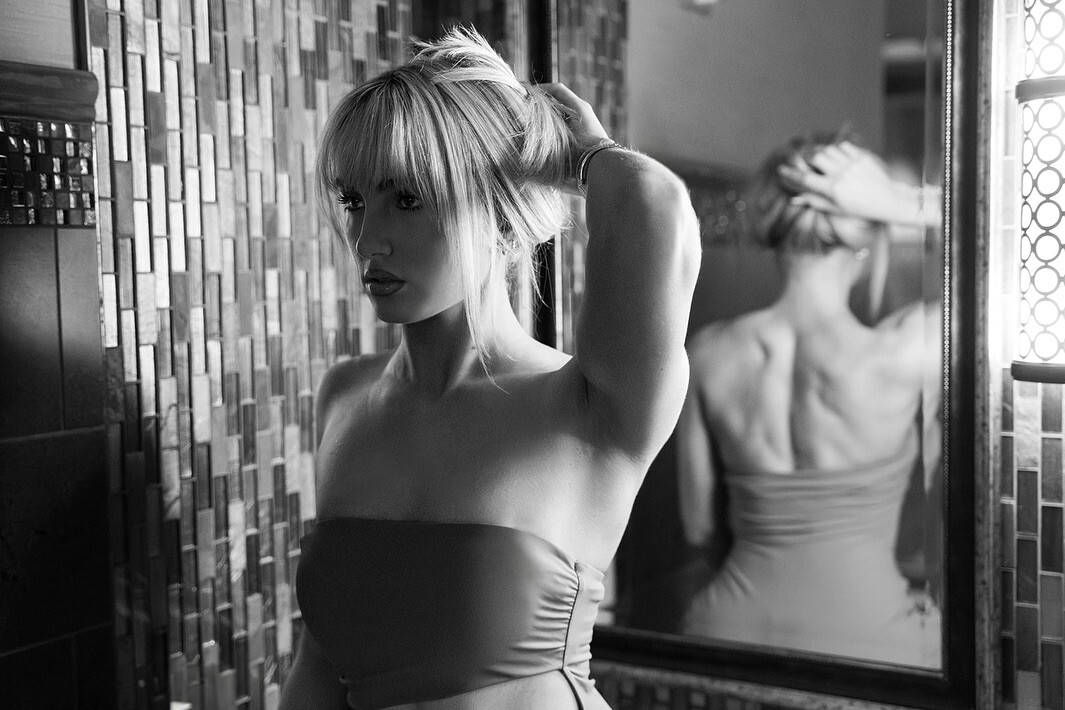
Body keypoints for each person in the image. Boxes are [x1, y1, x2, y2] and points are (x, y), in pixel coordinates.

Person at [278, 28, 700, 710]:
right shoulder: (346, 397)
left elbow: (652, 205)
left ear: (503, 219)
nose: (367, 239)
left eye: (408, 199)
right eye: (354, 201)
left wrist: (587, 153)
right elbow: (321, 667)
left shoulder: (588, 405)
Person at [677, 135, 941, 666]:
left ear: (776, 239)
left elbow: (700, 528)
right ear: (868, 244)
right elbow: (1025, 249)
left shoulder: (706, 353)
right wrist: (902, 203)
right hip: (872, 637)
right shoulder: (908, 350)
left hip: (725, 628)